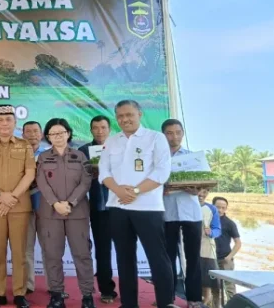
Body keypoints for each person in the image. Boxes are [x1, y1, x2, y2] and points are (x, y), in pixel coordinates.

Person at [98, 100, 175, 308]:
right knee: (124, 259)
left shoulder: (155, 138)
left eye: (129, 115)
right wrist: (118, 190)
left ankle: (166, 303)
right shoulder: (112, 141)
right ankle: (129, 304)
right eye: (120, 116)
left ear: (139, 114)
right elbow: (104, 171)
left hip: (148, 208)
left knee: (158, 258)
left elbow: (162, 172)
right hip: (118, 207)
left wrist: (136, 191)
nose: (125, 119)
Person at [0, 105, 36, 308]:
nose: (4, 124)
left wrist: (12, 197)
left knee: (19, 252)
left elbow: (30, 174)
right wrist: (1, 195)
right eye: (0, 120)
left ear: (15, 123)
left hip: (19, 205)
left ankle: (20, 293)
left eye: (8, 120)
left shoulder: (25, 145)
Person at [36, 118, 95, 308]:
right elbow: (41, 182)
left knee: (82, 254)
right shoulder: (43, 157)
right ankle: (57, 295)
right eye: (53, 134)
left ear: (68, 134)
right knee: (52, 255)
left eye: (61, 132)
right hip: (50, 213)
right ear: (48, 137)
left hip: (76, 212)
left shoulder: (80, 156)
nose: (58, 137)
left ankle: (87, 296)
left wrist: (70, 202)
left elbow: (86, 182)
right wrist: (55, 203)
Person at [161, 119, 206, 308]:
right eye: (169, 133)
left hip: (191, 213)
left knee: (193, 257)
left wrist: (199, 190)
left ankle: (194, 298)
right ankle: (167, 297)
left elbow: (205, 185)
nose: (174, 136)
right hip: (167, 213)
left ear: (183, 133)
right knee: (168, 257)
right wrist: (160, 189)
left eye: (178, 132)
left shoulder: (194, 158)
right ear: (163, 135)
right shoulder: (158, 158)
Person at [78, 115, 117, 303]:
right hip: (98, 207)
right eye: (96, 128)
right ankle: (106, 290)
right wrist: (89, 175)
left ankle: (130, 290)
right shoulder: (83, 151)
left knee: (126, 250)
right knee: (103, 250)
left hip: (122, 205)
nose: (100, 131)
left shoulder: (121, 148)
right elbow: (76, 180)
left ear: (109, 129)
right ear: (91, 130)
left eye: (103, 127)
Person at [21, 120, 53, 296]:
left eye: (35, 131)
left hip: (46, 207)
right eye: (28, 131)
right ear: (22, 134)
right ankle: (27, 284)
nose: (32, 134)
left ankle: (54, 285)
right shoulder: (17, 155)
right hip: (23, 207)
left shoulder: (49, 155)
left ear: (41, 135)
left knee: (49, 248)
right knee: (26, 248)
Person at [211, 196, 241, 303]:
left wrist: (229, 257)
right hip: (211, 259)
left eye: (223, 208)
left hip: (225, 260)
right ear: (212, 206)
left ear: (226, 209)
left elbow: (238, 243)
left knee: (230, 288)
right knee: (214, 288)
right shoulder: (207, 221)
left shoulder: (230, 223)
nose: (220, 210)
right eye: (217, 207)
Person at [198, 189, 221, 307]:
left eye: (205, 192)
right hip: (187, 247)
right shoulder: (185, 206)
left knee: (207, 280)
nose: (201, 195)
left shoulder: (212, 209)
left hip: (206, 247)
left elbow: (217, 229)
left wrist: (211, 232)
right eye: (199, 191)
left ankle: (207, 302)